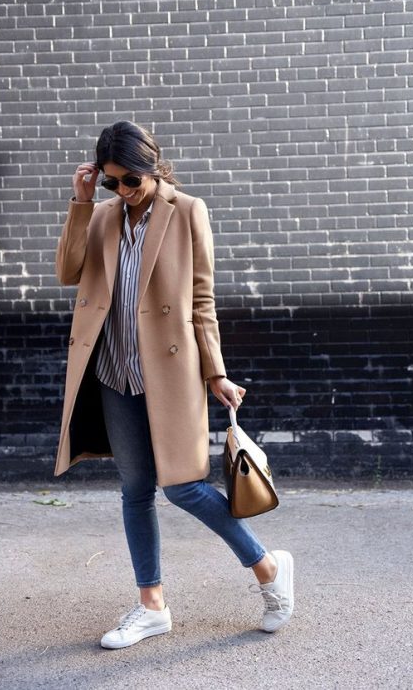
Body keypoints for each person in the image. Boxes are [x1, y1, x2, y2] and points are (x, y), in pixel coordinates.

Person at [54, 121, 294, 650]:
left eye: (130, 180)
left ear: (152, 168)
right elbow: (68, 272)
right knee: (135, 492)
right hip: (114, 374)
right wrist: (81, 201)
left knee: (184, 486)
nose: (123, 191)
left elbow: (201, 300)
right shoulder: (99, 217)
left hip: (170, 372)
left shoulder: (187, 210)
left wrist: (216, 373)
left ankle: (268, 567)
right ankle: (152, 605)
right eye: (112, 182)